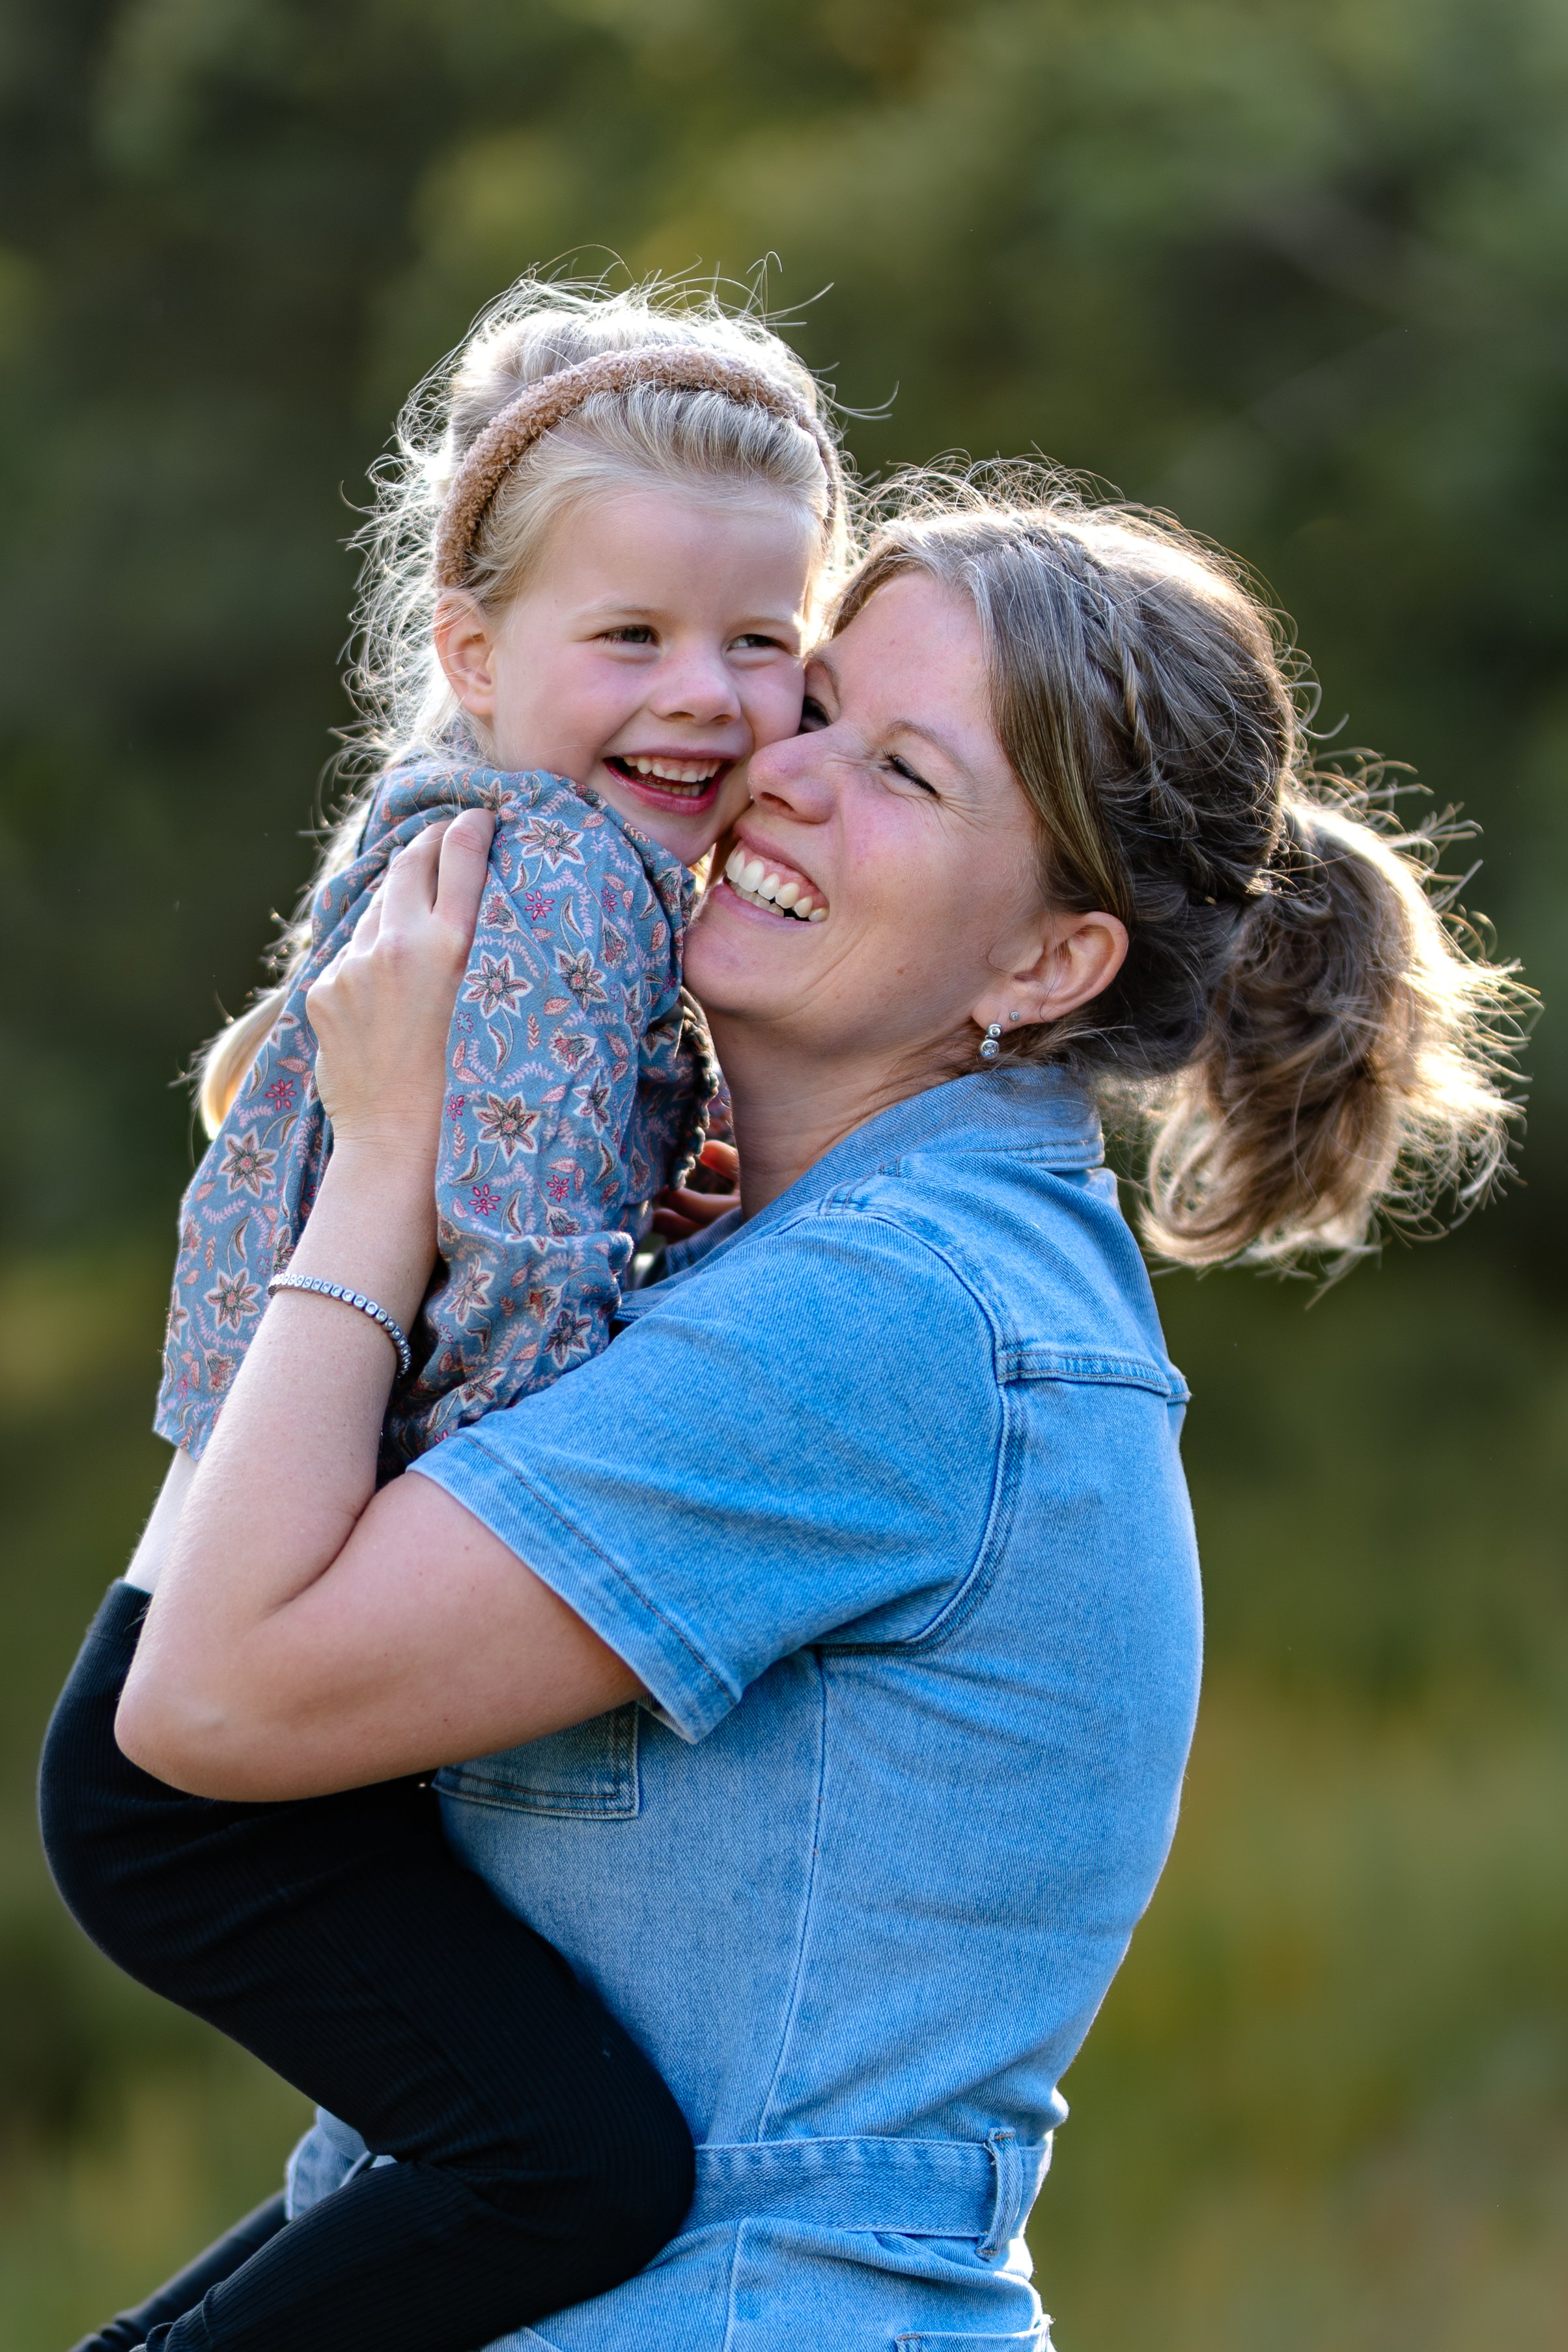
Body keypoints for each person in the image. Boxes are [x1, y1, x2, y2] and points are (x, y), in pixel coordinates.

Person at [69, 476, 1520, 2351]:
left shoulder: (890, 1318)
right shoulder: (779, 1261)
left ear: (1044, 965)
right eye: (817, 697)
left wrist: (377, 1168)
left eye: (906, 773)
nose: (783, 769)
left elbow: (198, 1706)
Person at [38, 279, 848, 2352]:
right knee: (569, 2165)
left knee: (452, 2154)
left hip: (199, 1698)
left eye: (765, 641)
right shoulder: (565, 887)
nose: (710, 696)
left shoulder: (496, 851)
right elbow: (515, 1279)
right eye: (635, 639)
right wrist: (589, 1509)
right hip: (219, 1759)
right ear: (473, 657)